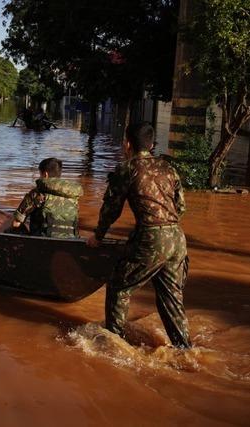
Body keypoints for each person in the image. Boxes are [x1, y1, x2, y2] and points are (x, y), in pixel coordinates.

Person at [86, 123, 191, 349]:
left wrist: (98, 237)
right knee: (171, 297)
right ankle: (185, 350)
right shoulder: (168, 168)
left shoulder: (128, 168)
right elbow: (181, 207)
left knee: (118, 286)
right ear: (152, 144)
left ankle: (113, 344)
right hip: (178, 238)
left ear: (127, 144)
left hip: (152, 238)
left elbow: (110, 210)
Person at [11, 157, 83, 238]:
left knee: (13, 228)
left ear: (45, 175)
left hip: (43, 241)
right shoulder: (73, 197)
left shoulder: (37, 193)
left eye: (40, 174)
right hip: (71, 240)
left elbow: (16, 223)